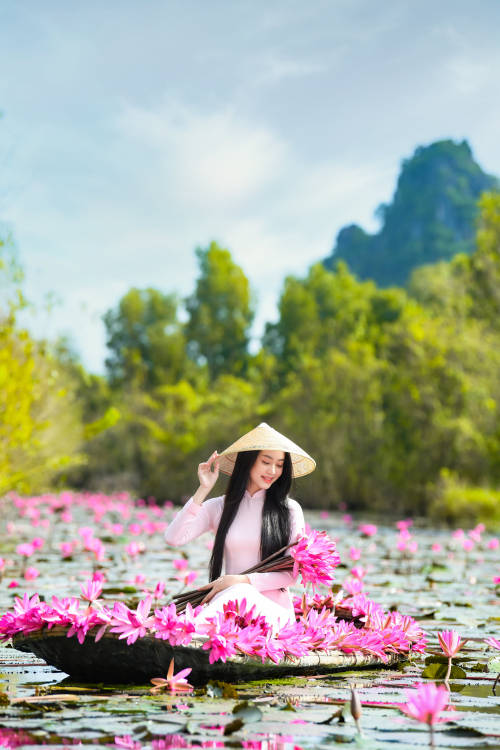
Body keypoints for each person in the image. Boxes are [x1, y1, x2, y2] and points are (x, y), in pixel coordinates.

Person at [164, 422, 316, 631]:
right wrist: (203, 489)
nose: (273, 470)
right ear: (249, 461)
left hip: (273, 616)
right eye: (266, 461)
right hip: (229, 609)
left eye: (280, 465)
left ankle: (184, 630)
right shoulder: (220, 507)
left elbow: (292, 574)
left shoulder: (289, 510)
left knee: (239, 593)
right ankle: (183, 629)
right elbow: (173, 537)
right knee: (234, 596)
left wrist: (240, 581)